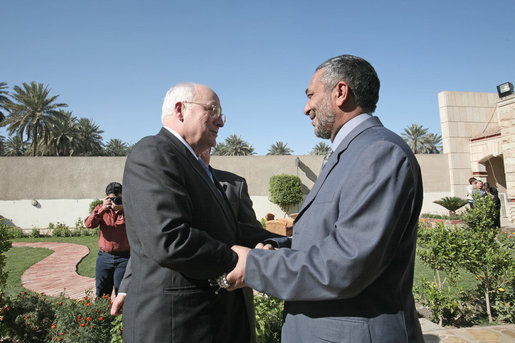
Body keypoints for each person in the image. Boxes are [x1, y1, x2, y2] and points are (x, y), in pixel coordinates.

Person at [227, 55, 424, 342]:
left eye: (311, 96)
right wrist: (276, 248)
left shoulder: (379, 153)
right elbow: (325, 238)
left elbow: (348, 262)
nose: (306, 107)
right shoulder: (351, 153)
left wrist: (256, 266)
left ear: (340, 92)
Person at [121, 82, 281, 342]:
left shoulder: (195, 164)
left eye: (221, 114)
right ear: (180, 110)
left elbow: (228, 229)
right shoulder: (153, 152)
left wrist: (280, 243)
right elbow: (169, 238)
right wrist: (234, 260)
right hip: (176, 327)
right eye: (213, 110)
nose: (221, 122)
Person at [111, 148, 264, 343]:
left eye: (204, 149)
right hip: (181, 304)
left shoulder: (235, 185)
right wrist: (125, 288)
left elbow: (250, 232)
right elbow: (148, 240)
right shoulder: (169, 180)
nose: (200, 153)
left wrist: (266, 256)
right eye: (194, 149)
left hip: (230, 297)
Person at [84, 182, 129, 297]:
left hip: (124, 258)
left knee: (122, 293)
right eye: (111, 198)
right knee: (102, 292)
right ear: (106, 196)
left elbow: (139, 221)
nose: (114, 201)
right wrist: (102, 209)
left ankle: (123, 315)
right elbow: (89, 224)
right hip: (105, 257)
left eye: (117, 198)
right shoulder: (100, 209)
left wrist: (123, 208)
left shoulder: (129, 209)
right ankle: (103, 314)